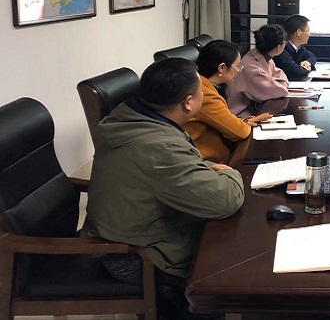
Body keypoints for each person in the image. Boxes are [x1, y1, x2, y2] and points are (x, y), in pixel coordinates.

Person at [83, 58, 245, 319]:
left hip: (128, 232)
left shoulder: (132, 118)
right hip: (134, 256)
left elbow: (174, 166)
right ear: (189, 102)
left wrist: (207, 168)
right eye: (201, 92)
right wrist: (231, 171)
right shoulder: (159, 146)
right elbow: (225, 200)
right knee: (226, 258)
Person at [183, 40, 271, 163]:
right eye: (238, 66)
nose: (239, 71)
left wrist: (243, 122)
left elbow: (222, 121)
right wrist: (242, 125)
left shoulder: (204, 85)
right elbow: (240, 132)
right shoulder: (204, 94)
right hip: (210, 161)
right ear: (222, 68)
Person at [228, 24, 289, 117]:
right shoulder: (250, 65)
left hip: (254, 108)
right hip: (240, 113)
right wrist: (275, 82)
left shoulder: (262, 56)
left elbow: (279, 75)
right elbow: (279, 90)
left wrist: (275, 82)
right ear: (278, 47)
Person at [273, 14, 317, 80]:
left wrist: (307, 63)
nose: (309, 34)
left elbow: (312, 57)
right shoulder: (282, 49)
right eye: (308, 31)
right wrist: (307, 68)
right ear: (299, 32)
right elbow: (295, 71)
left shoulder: (299, 47)